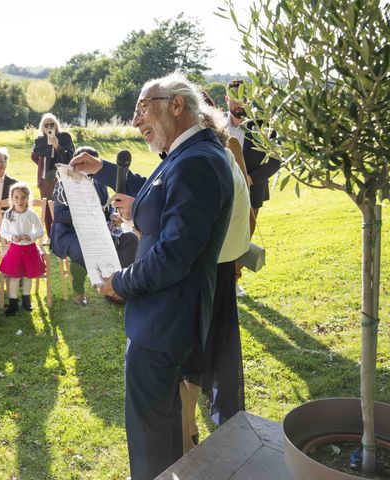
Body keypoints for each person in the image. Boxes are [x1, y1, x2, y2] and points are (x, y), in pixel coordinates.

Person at [70, 72, 234, 479]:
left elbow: (173, 256)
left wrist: (119, 282)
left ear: (176, 105)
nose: (135, 120)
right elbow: (157, 191)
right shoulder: (188, 154)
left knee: (148, 435)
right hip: (165, 316)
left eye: (143, 108)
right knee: (164, 424)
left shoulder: (197, 161)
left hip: (164, 321)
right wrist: (102, 168)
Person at [180, 105, 251, 453]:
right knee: (217, 342)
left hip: (210, 266)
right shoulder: (226, 154)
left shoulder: (208, 163)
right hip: (224, 263)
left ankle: (188, 428)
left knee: (196, 347)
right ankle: (200, 419)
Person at [50, 146, 138, 306]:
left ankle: (117, 288)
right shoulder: (62, 184)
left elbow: (107, 205)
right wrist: (89, 214)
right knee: (81, 251)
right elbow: (59, 215)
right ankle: (79, 292)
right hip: (70, 233)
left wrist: (112, 214)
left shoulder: (99, 182)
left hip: (99, 231)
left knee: (130, 239)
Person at [225, 79, 280, 296]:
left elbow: (275, 161)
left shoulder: (262, 126)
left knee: (243, 237)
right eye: (235, 98)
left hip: (251, 193)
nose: (240, 103)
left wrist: (251, 178)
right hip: (221, 192)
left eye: (244, 98)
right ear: (227, 99)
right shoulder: (215, 124)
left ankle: (234, 281)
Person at [0, 183, 46, 315]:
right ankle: (13, 303)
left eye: (23, 197)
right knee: (13, 276)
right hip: (15, 250)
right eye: (16, 197)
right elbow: (3, 232)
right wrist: (12, 237)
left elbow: (40, 231)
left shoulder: (31, 215)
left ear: (27, 198)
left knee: (27, 276)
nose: (20, 201)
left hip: (29, 249)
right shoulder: (8, 214)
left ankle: (26, 300)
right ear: (12, 199)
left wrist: (30, 236)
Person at [31, 113, 74, 234]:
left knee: (61, 207)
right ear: (42, 128)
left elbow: (69, 157)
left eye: (52, 124)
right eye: (46, 125)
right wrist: (42, 165)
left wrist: (57, 146)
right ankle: (51, 236)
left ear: (56, 125)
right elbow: (34, 156)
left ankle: (62, 234)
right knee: (47, 209)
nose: (49, 127)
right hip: (45, 180)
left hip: (61, 179)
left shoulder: (64, 137)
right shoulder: (40, 140)